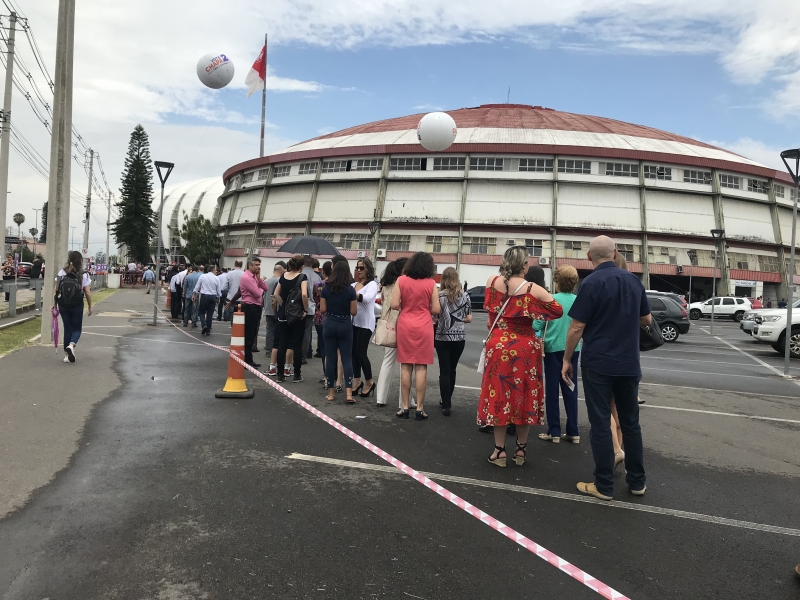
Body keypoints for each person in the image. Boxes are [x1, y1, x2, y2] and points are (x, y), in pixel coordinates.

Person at [562, 236, 651, 501]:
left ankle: (603, 485)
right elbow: (646, 319)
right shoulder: (634, 281)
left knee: (600, 422)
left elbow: (577, 327)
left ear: (589, 257)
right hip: (628, 363)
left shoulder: (590, 283)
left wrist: (567, 359)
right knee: (630, 423)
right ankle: (638, 482)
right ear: (615, 254)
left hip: (598, 363)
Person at [479, 247, 562, 467]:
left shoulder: (492, 281)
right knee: (524, 394)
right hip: (525, 346)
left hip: (498, 344)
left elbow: (490, 314)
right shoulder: (533, 289)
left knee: (499, 395)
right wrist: (532, 309)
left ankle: (499, 451)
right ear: (525, 265)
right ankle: (521, 451)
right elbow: (557, 310)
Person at [391, 251, 440, 420]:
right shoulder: (431, 283)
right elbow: (436, 309)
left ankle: (404, 407)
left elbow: (394, 305)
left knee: (405, 366)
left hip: (405, 324)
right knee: (421, 367)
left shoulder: (401, 280)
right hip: (424, 326)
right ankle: (419, 409)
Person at [536, 265, 581, 444]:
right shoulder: (579, 301)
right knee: (570, 389)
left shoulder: (551, 300)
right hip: (573, 350)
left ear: (557, 282)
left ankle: (554, 431)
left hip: (553, 349)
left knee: (552, 391)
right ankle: (573, 431)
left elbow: (536, 325)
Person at [375, 258, 413, 409]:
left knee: (387, 361)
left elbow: (385, 302)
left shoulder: (386, 285)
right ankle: (405, 401)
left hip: (388, 325)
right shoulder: (404, 283)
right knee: (407, 364)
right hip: (403, 325)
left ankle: (380, 398)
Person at [434, 267, 472, 416]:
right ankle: (448, 399)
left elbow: (434, 317)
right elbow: (469, 318)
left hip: (442, 337)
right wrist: (458, 319)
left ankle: (446, 404)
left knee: (444, 369)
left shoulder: (439, 296)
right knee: (453, 369)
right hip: (459, 338)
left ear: (443, 279)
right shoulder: (465, 296)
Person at [320, 260, 357, 402]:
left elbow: (323, 310)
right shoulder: (350, 290)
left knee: (330, 358)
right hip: (345, 324)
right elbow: (354, 311)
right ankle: (349, 394)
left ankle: (331, 393)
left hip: (330, 323)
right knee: (347, 359)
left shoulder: (326, 288)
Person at [226, 257, 269, 368]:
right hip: (250, 307)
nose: (258, 267)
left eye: (259, 265)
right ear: (249, 266)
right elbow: (257, 293)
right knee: (249, 335)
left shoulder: (254, 277)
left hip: (256, 307)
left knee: (252, 334)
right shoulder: (246, 277)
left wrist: (259, 280)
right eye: (256, 265)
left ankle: (249, 359)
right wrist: (260, 287)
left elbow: (266, 288)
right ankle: (246, 360)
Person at [272, 254, 309, 383]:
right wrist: (305, 309)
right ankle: (297, 374)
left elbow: (276, 294)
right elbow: (304, 294)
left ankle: (280, 374)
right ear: (302, 267)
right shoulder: (302, 277)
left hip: (283, 315)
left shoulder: (283, 276)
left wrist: (284, 306)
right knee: (297, 344)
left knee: (282, 343)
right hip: (297, 316)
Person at [55, 250, 93, 363]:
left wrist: (54, 305)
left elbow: (56, 290)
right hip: (77, 304)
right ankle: (71, 346)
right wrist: (90, 306)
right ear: (80, 260)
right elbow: (88, 292)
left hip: (63, 304)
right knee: (76, 329)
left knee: (67, 328)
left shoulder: (62, 272)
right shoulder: (83, 274)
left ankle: (66, 356)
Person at [351, 257, 378, 397]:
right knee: (353, 353)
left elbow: (366, 298)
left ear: (368, 269)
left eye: (361, 268)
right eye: (357, 268)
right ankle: (357, 380)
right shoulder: (354, 284)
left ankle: (369, 381)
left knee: (361, 352)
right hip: (354, 321)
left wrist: (351, 294)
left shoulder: (372, 284)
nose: (359, 270)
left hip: (366, 323)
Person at [263, 261, 285, 376]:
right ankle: (275, 351)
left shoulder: (266, 281)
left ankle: (268, 350)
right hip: (277, 310)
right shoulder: (280, 281)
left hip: (267, 309)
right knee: (278, 334)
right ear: (281, 271)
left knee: (269, 330)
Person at [301, 256, 322, 365]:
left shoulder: (299, 274)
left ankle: (296, 354)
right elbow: (318, 294)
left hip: (299, 308)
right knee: (307, 332)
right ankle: (304, 355)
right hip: (311, 307)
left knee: (298, 332)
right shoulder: (317, 277)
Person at [192, 264, 221, 335]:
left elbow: (197, 286)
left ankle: (204, 325)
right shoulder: (216, 278)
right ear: (213, 270)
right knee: (210, 314)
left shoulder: (202, 276)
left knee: (201, 312)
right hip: (213, 297)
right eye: (215, 270)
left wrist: (194, 294)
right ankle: (208, 329)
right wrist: (218, 297)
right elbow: (218, 289)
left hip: (204, 296)